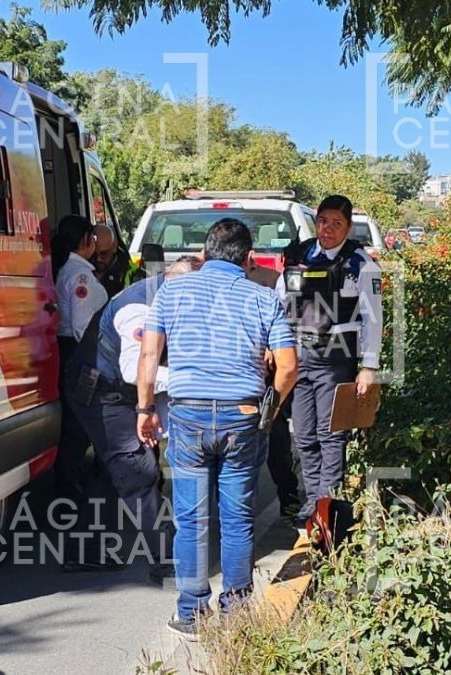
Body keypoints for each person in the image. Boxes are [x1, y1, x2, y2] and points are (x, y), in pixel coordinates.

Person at [137, 218, 298, 639]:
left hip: (188, 415)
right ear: (248, 260)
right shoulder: (264, 298)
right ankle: (237, 608)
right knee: (238, 518)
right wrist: (271, 409)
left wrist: (144, 408)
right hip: (242, 416)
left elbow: (149, 353)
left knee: (190, 520)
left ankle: (191, 612)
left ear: (204, 255)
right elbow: (288, 367)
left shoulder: (171, 291)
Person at [62, 256, 203, 579]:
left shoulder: (170, 296)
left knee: (118, 469)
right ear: (174, 283)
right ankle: (167, 559)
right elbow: (133, 370)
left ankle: (87, 550)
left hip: (121, 392)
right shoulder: (138, 309)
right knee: (137, 469)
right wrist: (193, 377)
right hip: (103, 390)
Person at [277, 195, 383, 528]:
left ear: (349, 227)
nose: (328, 229)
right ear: (316, 221)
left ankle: (327, 509)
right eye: (323, 221)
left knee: (331, 434)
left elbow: (373, 318)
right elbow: (281, 304)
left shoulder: (360, 264)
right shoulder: (300, 255)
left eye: (337, 223)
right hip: (300, 356)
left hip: (337, 357)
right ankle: (312, 501)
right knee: (304, 435)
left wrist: (369, 367)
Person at [51, 215, 109, 509]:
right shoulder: (80, 276)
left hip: (76, 352)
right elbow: (82, 325)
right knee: (78, 422)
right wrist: (97, 361)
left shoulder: (75, 270)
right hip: (81, 354)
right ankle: (69, 487)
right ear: (85, 240)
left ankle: (71, 482)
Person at [245, 259, 303, 520]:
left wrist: (269, 346)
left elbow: (284, 323)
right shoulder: (209, 287)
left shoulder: (270, 282)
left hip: (267, 378)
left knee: (276, 440)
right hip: (235, 385)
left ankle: (288, 498)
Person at [93, 224, 131, 298]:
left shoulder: (131, 274)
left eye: (103, 253)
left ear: (114, 247)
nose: (98, 259)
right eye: (93, 254)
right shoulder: (83, 268)